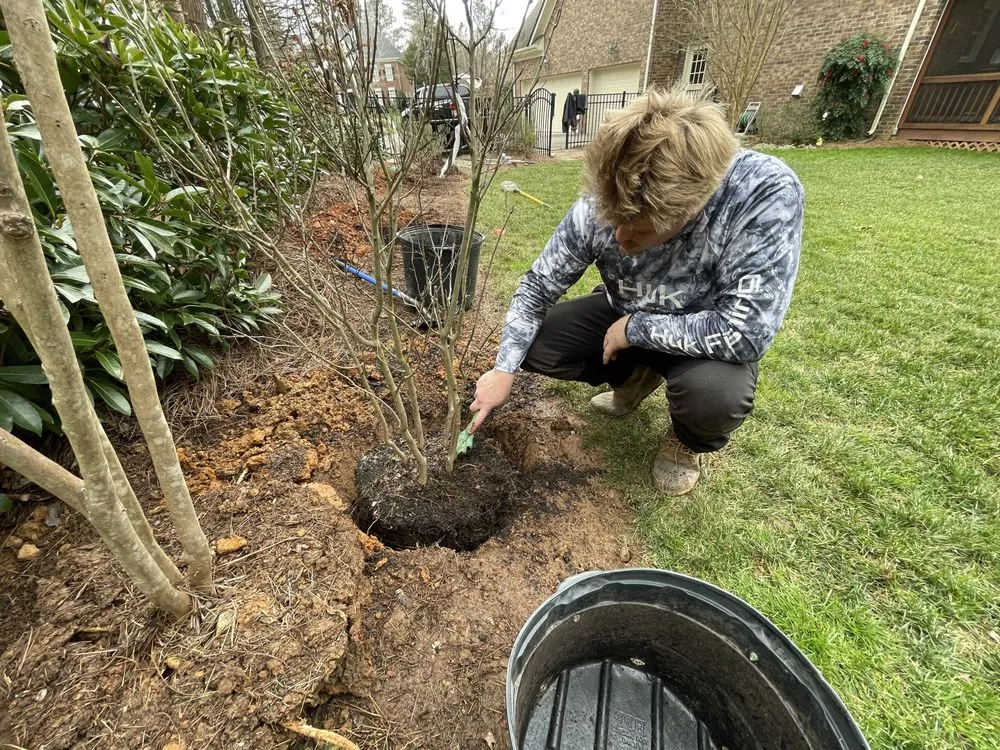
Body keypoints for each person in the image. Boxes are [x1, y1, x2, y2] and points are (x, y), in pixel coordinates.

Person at [467, 86, 805, 495]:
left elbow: (748, 331)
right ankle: (637, 375)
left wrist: (636, 329)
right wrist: (504, 368)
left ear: (691, 206)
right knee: (535, 346)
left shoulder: (761, 193)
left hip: (708, 338)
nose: (621, 238)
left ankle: (686, 441)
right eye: (612, 221)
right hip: (624, 309)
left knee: (714, 397)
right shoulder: (603, 202)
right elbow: (537, 287)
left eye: (640, 229)